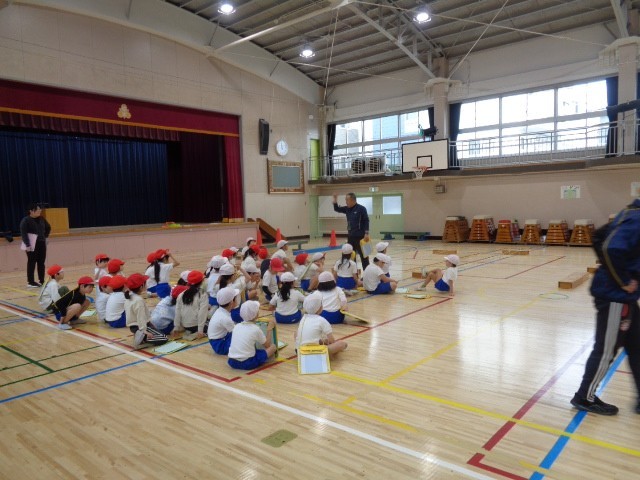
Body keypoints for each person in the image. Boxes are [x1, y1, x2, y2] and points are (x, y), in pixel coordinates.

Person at [571, 201, 640, 416]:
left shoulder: (630, 213)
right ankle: (585, 396)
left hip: (625, 298)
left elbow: (599, 236)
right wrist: (623, 280)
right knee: (606, 350)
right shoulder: (637, 218)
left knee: (637, 345)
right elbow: (610, 248)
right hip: (615, 297)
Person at [227, 301, 277, 370]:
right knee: (273, 347)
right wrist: (269, 329)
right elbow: (267, 345)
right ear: (256, 314)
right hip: (247, 363)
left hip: (232, 361)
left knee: (253, 348)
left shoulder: (236, 326)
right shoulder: (255, 329)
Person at [124, 273, 168, 348]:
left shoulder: (130, 296)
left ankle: (140, 335)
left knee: (159, 333)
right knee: (164, 338)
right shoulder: (138, 300)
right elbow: (140, 316)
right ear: (141, 287)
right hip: (139, 326)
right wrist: (144, 331)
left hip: (135, 326)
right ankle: (142, 337)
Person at [332, 193, 370, 270]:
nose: (346, 202)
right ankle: (353, 272)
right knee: (351, 256)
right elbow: (337, 209)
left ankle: (367, 273)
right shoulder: (347, 209)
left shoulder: (361, 208)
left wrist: (366, 233)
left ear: (352, 200)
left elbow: (366, 221)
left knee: (364, 256)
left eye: (347, 200)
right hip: (351, 237)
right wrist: (335, 199)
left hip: (361, 237)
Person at [19, 203, 51, 288]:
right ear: (31, 211)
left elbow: (48, 227)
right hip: (31, 244)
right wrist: (27, 244)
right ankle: (31, 282)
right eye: (37, 209)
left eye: (40, 209)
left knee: (41, 262)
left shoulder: (42, 219)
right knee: (31, 262)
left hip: (41, 243)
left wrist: (45, 236)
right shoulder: (26, 220)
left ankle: (42, 280)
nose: (39, 211)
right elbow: (23, 233)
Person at [173, 270, 209, 339]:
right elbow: (202, 313)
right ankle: (195, 333)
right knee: (213, 327)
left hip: (185, 325)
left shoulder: (182, 294)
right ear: (201, 282)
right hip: (196, 325)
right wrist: (200, 331)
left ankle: (190, 331)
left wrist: (176, 327)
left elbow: (177, 311)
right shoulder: (202, 294)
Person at [207, 286, 238, 355]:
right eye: (236, 298)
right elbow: (237, 332)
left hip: (219, 340)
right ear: (231, 302)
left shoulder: (221, 311)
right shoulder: (225, 318)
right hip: (220, 345)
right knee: (242, 338)